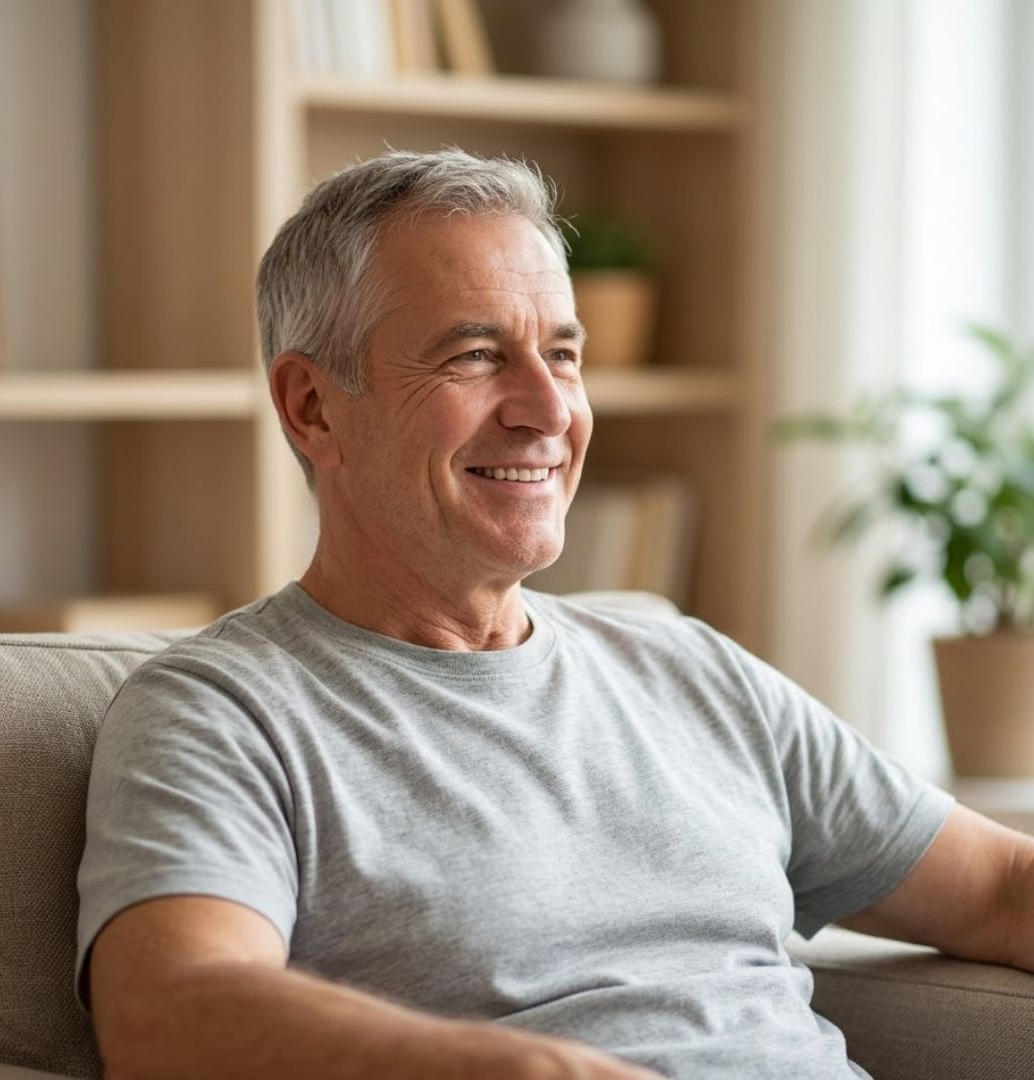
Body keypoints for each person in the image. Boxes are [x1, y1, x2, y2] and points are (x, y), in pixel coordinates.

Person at [76, 148, 1034, 1080]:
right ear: (313, 407)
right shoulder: (221, 712)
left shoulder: (690, 668)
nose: (549, 409)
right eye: (477, 355)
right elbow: (167, 1012)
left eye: (564, 355)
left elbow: (997, 890)